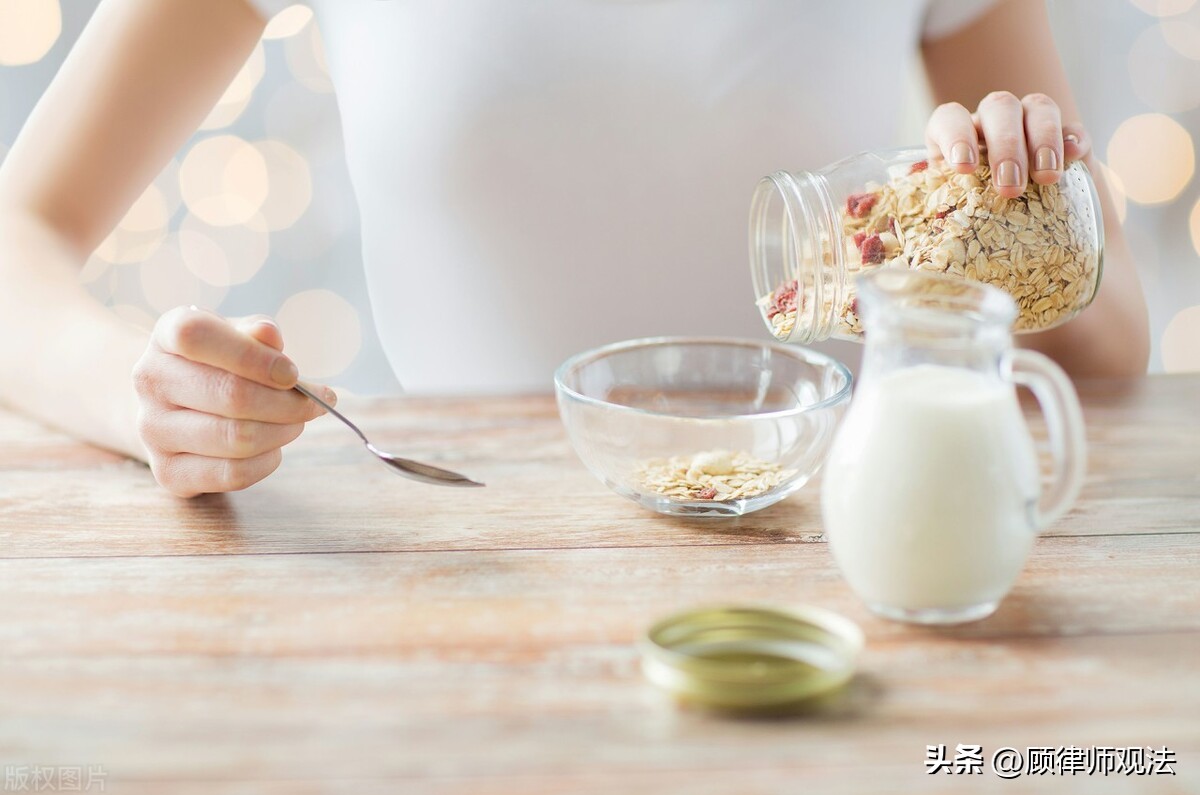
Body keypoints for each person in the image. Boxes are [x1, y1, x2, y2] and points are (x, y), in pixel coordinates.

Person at [0, 0, 1149, 497]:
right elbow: (18, 239)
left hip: (836, 545)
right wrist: (141, 397)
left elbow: (1111, 353)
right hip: (459, 562)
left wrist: (1015, 228)